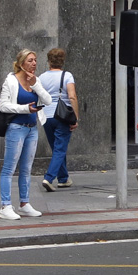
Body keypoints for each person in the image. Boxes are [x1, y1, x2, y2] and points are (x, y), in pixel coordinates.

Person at [0, 49, 52, 220]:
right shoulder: (11, 81)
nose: (34, 63)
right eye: (30, 60)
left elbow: (48, 100)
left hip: (32, 128)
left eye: (35, 60)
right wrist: (24, 108)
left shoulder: (35, 81)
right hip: (16, 127)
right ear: (21, 63)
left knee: (27, 168)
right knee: (9, 168)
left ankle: (24, 204)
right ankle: (5, 206)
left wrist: (35, 84)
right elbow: (3, 106)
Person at [38, 48, 78, 191]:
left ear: (49, 61)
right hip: (62, 116)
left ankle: (63, 178)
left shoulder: (41, 77)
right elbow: (72, 97)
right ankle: (49, 178)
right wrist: (75, 117)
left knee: (57, 148)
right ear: (63, 61)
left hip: (46, 116)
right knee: (60, 149)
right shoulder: (67, 76)